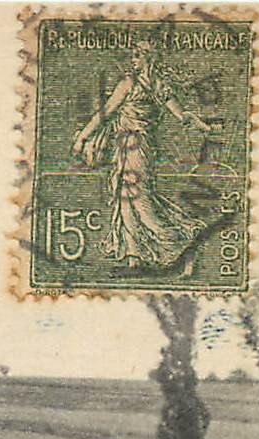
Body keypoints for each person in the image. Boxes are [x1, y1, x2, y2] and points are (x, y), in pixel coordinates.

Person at [70, 39, 213, 274]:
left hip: (134, 145)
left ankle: (181, 242)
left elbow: (103, 115)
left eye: (137, 55)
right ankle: (133, 258)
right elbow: (182, 116)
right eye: (133, 55)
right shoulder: (160, 86)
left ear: (148, 57)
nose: (133, 60)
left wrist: (81, 137)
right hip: (135, 146)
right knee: (125, 197)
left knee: (138, 200)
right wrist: (199, 123)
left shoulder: (130, 84)